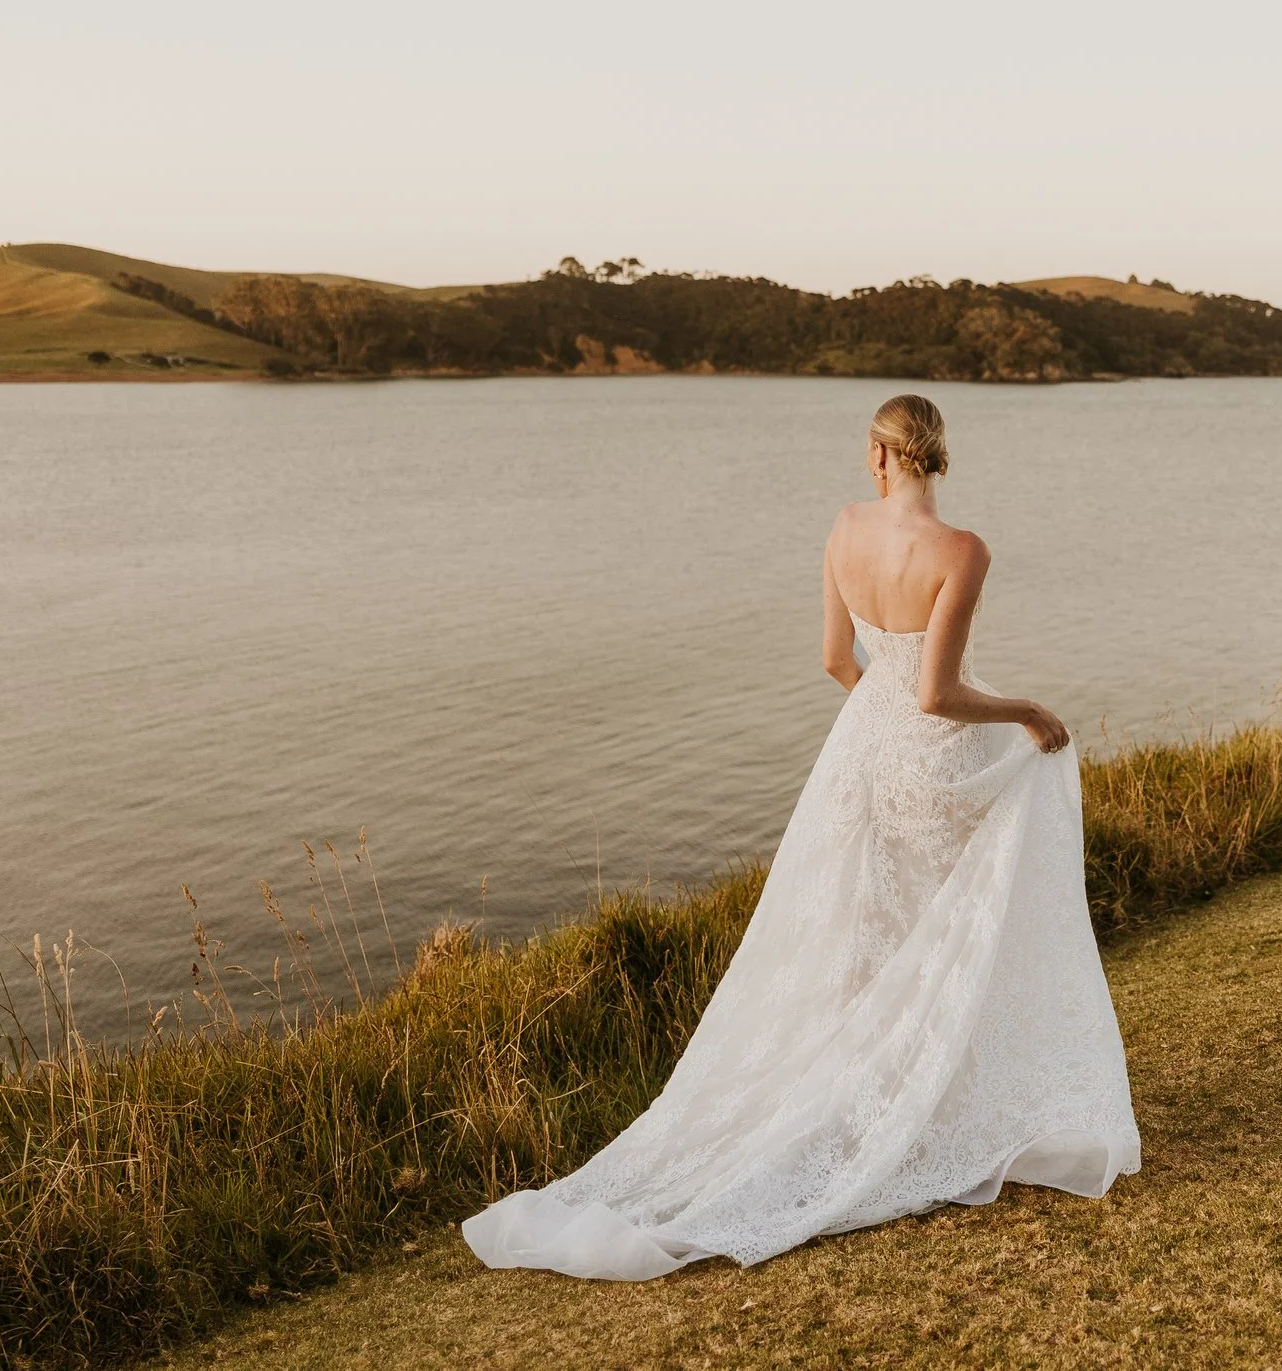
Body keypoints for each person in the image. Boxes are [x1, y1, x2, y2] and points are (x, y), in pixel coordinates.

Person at [463, 394, 1139, 1279]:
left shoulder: (844, 528)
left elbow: (835, 659)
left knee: (865, 932)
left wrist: (880, 715)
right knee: (944, 926)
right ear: (937, 457)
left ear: (876, 454)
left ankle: (872, 1102)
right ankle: (926, 1104)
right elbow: (939, 694)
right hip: (934, 757)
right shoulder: (962, 551)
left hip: (865, 749)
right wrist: (1026, 712)